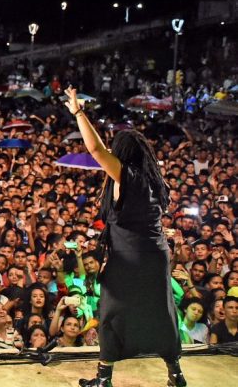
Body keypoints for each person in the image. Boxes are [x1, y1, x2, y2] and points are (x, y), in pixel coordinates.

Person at [64, 87, 184, 387]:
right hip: (155, 255)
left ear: (122, 153)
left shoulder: (126, 176)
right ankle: (175, 374)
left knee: (112, 313)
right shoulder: (156, 182)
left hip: (128, 257)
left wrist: (79, 113)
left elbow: (95, 151)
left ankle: (104, 379)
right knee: (161, 311)